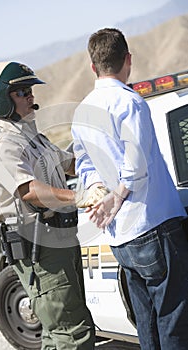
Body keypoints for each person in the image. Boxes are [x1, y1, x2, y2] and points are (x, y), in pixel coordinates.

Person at [71, 28, 188, 350]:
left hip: (120, 236)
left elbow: (84, 164)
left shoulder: (82, 112)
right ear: (128, 60)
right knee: (173, 321)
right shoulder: (130, 102)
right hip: (152, 224)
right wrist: (115, 197)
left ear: (93, 66)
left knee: (147, 323)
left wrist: (98, 191)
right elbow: (136, 166)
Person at [0, 61, 97, 349]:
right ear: (1, 100)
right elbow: (29, 191)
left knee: (57, 332)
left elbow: (67, 164)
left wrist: (99, 151)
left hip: (58, 238)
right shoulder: (0, 144)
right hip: (39, 246)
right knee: (73, 333)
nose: (31, 96)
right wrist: (80, 197)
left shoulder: (28, 135)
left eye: (29, 90)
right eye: (21, 92)